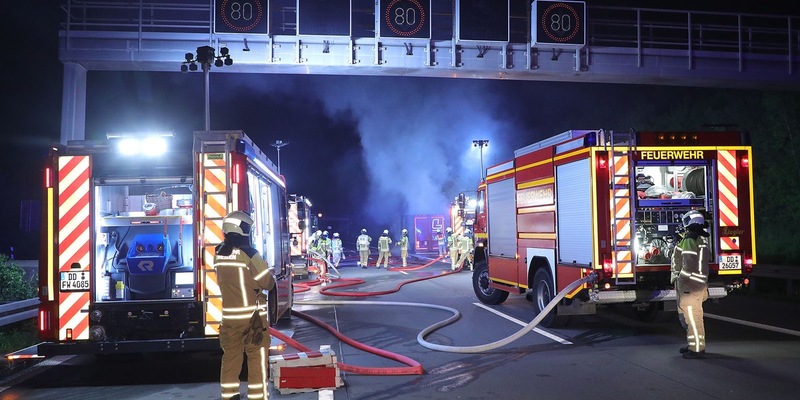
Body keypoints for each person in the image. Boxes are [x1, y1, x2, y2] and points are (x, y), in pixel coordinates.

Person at [214, 211, 276, 400]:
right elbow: (267, 283)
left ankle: (230, 395)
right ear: (243, 230)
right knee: (257, 358)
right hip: (252, 318)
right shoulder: (250, 254)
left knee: (230, 358)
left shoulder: (218, 253)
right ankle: (257, 397)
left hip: (229, 318)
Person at [671, 210, 710, 359]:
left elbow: (687, 266)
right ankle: (695, 345)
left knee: (691, 319)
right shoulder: (700, 239)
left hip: (689, 286)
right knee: (696, 317)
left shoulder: (689, 240)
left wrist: (679, 281)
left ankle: (697, 350)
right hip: (698, 285)